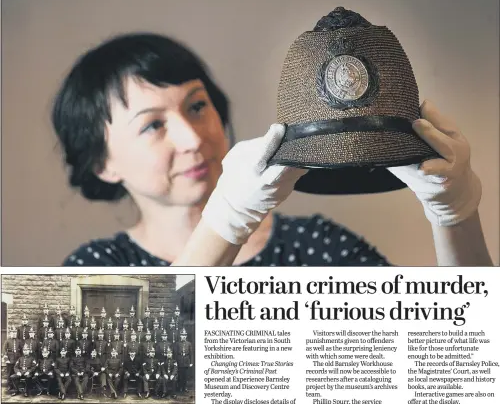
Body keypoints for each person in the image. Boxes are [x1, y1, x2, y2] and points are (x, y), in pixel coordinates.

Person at [52, 32, 493, 267]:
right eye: (152, 125)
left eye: (198, 106)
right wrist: (226, 224)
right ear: (100, 163)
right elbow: (133, 380)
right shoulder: (98, 268)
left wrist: (456, 214)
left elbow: (461, 360)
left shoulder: (318, 246)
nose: (193, 138)